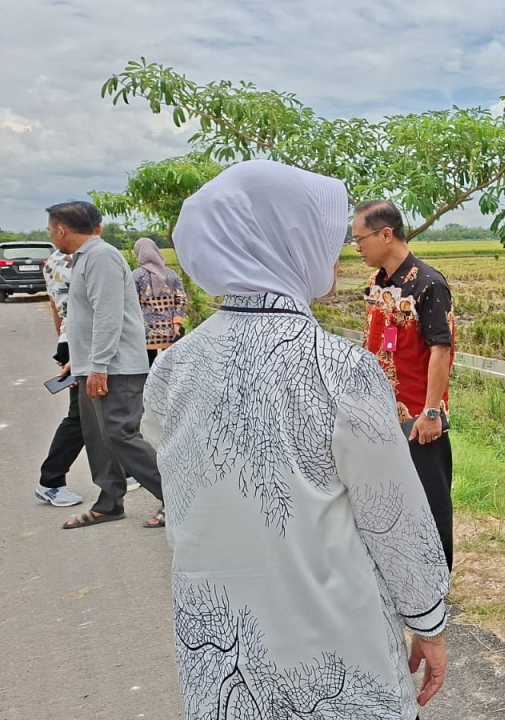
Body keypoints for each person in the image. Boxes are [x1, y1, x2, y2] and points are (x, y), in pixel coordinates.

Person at [143, 160, 450, 720]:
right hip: (328, 633)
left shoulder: (173, 367)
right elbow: (391, 514)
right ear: (279, 245)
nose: (334, 252)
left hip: (220, 643)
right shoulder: (338, 367)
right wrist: (427, 619)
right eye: (320, 237)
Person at [46, 200, 164, 530]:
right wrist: (78, 362)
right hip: (94, 365)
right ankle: (109, 502)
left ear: (61, 229)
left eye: (50, 229)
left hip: (116, 367)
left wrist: (98, 366)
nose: (50, 234)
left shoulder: (101, 257)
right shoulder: (84, 259)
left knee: (120, 433)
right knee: (97, 436)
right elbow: (86, 318)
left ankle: (175, 495)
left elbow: (108, 316)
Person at [354, 200, 456, 570]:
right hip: (381, 412)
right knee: (389, 495)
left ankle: (436, 576)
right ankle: (401, 567)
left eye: (361, 238)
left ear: (386, 234)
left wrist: (430, 412)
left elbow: (441, 350)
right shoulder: (375, 283)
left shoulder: (428, 283)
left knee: (430, 498)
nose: (357, 247)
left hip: (418, 416)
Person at [32, 248, 85, 507]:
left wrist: (63, 344)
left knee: (91, 413)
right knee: (81, 417)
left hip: (70, 340)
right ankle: (51, 481)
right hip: (84, 342)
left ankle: (124, 471)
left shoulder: (51, 261)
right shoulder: (87, 257)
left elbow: (55, 307)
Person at [131, 237, 187, 363]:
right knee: (168, 367)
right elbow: (181, 299)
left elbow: (132, 303)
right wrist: (177, 323)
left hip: (146, 332)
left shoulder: (136, 275)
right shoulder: (171, 274)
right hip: (171, 332)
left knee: (149, 367)